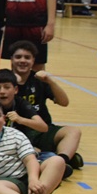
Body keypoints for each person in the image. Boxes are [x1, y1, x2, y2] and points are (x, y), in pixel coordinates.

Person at [8, 41, 83, 170]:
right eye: (18, 57)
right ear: (11, 59)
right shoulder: (5, 79)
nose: (22, 60)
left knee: (73, 131)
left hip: (42, 130)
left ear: (33, 61)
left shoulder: (39, 80)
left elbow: (64, 102)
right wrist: (13, 83)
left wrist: (50, 81)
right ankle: (51, 158)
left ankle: (62, 162)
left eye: (27, 57)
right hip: (17, 133)